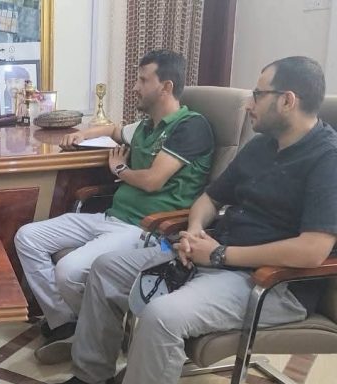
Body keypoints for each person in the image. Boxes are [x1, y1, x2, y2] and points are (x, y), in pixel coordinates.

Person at [37, 56, 337, 384]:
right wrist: (195, 231)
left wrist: (222, 254)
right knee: (106, 268)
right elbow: (210, 198)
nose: (249, 103)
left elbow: (313, 249)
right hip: (214, 253)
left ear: (288, 100)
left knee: (162, 317)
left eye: (258, 95)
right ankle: (91, 380)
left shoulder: (327, 160)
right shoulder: (262, 146)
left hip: (270, 282)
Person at [14, 50, 214, 362]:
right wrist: (81, 134)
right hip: (111, 217)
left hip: (145, 228)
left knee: (68, 271)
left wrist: (120, 170)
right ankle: (67, 323)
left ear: (166, 87)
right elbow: (111, 129)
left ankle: (95, 335)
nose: (135, 87)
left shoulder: (190, 127)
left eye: (143, 80)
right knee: (28, 237)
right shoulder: (148, 126)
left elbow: (153, 181)